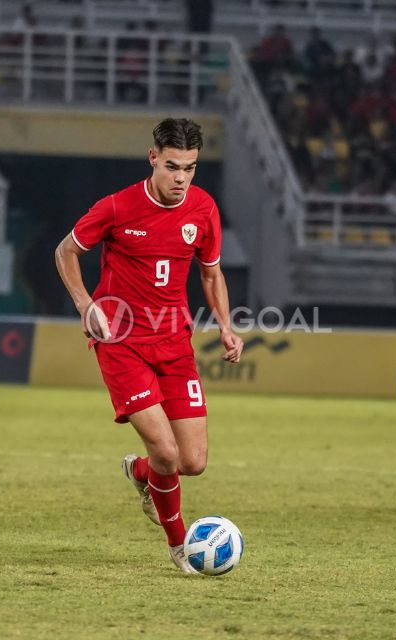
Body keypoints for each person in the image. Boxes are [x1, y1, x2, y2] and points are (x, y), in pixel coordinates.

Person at [54, 118, 244, 572]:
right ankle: (180, 546)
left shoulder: (202, 209)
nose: (181, 178)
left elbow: (210, 273)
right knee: (167, 454)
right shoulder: (118, 207)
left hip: (175, 342)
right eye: (174, 166)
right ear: (153, 158)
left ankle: (140, 472)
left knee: (192, 462)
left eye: (191, 168)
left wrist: (226, 326)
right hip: (121, 343)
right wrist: (85, 304)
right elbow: (65, 251)